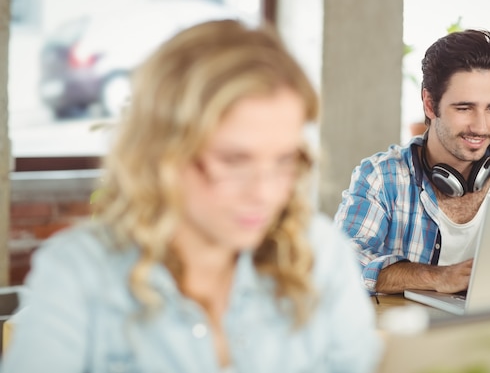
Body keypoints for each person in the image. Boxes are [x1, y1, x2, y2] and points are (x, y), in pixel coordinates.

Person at [1, 20, 381, 373]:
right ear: (163, 152)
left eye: (284, 160)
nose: (264, 193)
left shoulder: (319, 255)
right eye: (233, 160)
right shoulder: (80, 273)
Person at [334, 29, 490, 295]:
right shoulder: (381, 177)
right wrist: (435, 277)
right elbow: (340, 263)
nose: (481, 127)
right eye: (464, 108)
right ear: (430, 104)